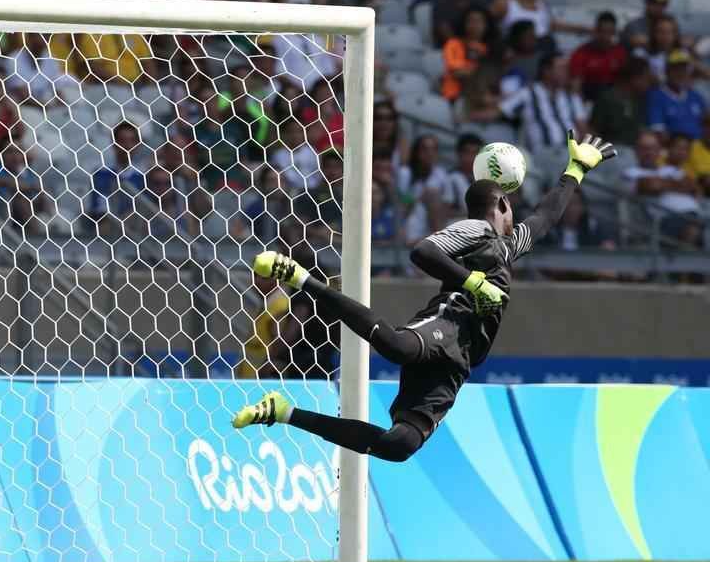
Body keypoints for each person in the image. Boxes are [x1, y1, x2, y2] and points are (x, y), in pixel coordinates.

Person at [231, 132, 617, 462]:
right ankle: (302, 278)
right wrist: (473, 283)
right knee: (398, 346)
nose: (517, 219)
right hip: (450, 320)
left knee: (399, 445)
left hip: (460, 359)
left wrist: (576, 170)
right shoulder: (476, 229)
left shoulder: (507, 246)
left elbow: (545, 218)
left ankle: (284, 412)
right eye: (511, 210)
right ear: (502, 205)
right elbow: (424, 252)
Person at [500, 53, 590, 151]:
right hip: (542, 155)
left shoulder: (572, 98)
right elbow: (500, 111)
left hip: (570, 154)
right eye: (561, 68)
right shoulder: (528, 94)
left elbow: (583, 130)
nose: (566, 72)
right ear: (546, 71)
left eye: (566, 68)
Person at [645, 50, 708, 142]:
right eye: (676, 69)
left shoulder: (696, 96)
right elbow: (658, 131)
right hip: (672, 149)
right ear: (667, 71)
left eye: (683, 69)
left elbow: (706, 124)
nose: (680, 73)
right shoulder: (656, 96)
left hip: (699, 148)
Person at [589, 56, 651, 145]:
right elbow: (594, 131)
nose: (648, 83)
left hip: (636, 151)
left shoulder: (639, 99)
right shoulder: (607, 100)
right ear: (634, 78)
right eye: (646, 78)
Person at [441, 6, 497, 101]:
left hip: (484, 94)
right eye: (470, 21)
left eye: (478, 21)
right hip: (456, 95)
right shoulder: (453, 44)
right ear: (464, 24)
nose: (474, 25)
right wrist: (480, 72)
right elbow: (456, 72)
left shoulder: (490, 48)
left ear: (486, 25)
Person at [568, 11, 628, 100]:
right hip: (589, 98)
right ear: (596, 30)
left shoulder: (620, 53)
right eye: (602, 32)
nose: (605, 37)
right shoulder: (582, 53)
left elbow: (625, 83)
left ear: (614, 32)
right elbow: (576, 85)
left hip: (613, 99)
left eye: (610, 32)